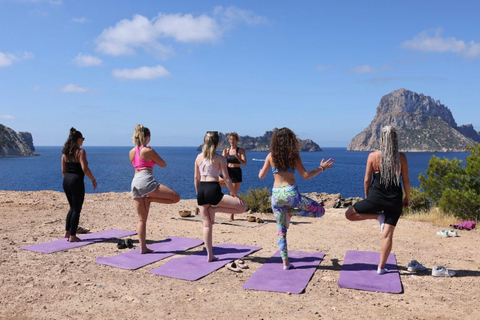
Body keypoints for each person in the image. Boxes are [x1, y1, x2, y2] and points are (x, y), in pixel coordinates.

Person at [258, 127, 334, 270]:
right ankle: (291, 213)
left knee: (281, 231)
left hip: (276, 196)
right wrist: (321, 168)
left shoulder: (270, 156)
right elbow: (305, 175)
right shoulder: (294, 156)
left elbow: (261, 176)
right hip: (291, 194)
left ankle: (285, 263)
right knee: (320, 211)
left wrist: (261, 171)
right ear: (291, 141)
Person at [345, 126, 410, 275]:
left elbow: (367, 179)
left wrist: (367, 198)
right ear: (395, 141)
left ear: (381, 140)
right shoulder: (401, 157)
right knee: (387, 235)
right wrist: (408, 197)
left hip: (375, 199)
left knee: (349, 214)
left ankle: (377, 216)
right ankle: (381, 267)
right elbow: (405, 181)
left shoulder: (373, 156)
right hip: (395, 201)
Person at [194, 131, 247, 262]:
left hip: (202, 191)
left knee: (207, 225)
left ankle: (210, 255)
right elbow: (227, 179)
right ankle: (215, 209)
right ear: (217, 144)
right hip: (213, 190)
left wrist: (198, 194)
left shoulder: (198, 157)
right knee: (242, 207)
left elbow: (196, 178)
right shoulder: (219, 158)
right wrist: (234, 195)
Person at [130, 124, 180, 254]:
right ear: (147, 137)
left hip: (135, 182)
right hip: (146, 180)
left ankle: (143, 248)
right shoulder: (148, 151)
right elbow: (163, 164)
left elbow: (135, 165)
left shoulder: (131, 152)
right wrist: (152, 152)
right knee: (176, 198)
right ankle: (151, 199)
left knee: (142, 219)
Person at [61, 127, 97, 242]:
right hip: (76, 181)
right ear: (77, 139)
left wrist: (68, 180)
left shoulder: (65, 154)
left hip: (66, 181)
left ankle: (67, 232)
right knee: (77, 209)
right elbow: (85, 168)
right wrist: (93, 179)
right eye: (82, 139)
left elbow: (63, 171)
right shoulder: (81, 152)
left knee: (72, 207)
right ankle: (73, 235)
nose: (83, 141)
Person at [222, 132, 247, 221]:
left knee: (233, 194)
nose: (232, 141)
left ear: (237, 140)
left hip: (236, 172)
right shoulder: (226, 150)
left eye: (233, 139)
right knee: (214, 183)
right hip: (227, 172)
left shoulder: (241, 150)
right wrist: (223, 157)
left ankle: (232, 215)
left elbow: (244, 163)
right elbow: (221, 162)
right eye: (230, 139)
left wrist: (238, 157)